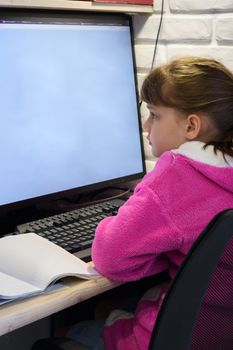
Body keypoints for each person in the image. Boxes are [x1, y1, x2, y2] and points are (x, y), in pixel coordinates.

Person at [32, 56, 233, 350]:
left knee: (67, 331)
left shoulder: (177, 174)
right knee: (114, 305)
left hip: (160, 341)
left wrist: (110, 220)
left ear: (191, 126)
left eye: (155, 114)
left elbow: (110, 258)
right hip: (217, 334)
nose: (146, 123)